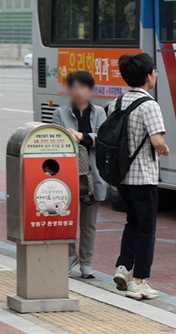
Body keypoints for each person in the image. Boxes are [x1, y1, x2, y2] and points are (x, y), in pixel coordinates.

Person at [112, 53, 170, 300]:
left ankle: (123, 268)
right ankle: (139, 280)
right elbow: (157, 140)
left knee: (132, 222)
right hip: (143, 177)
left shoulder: (118, 101)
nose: (156, 75)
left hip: (122, 177)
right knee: (147, 228)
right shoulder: (149, 105)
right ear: (147, 76)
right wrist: (164, 148)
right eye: (155, 72)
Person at [52, 71, 107, 280]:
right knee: (66, 219)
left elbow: (103, 138)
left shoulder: (100, 112)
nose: (79, 92)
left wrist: (82, 136)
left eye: (83, 87)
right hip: (67, 177)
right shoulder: (60, 113)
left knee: (88, 224)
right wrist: (68, 134)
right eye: (74, 87)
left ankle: (86, 263)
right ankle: (70, 255)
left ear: (90, 90)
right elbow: (54, 139)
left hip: (92, 177)